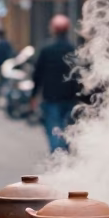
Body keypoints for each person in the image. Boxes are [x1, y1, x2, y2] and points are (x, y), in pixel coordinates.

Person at [33, 14, 80, 152]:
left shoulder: (46, 50)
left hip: (51, 97)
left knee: (54, 127)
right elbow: (79, 75)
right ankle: (64, 154)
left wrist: (33, 95)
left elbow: (38, 74)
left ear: (53, 29)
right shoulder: (73, 50)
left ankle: (57, 156)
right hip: (69, 97)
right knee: (66, 128)